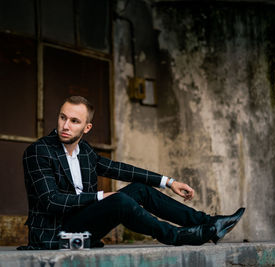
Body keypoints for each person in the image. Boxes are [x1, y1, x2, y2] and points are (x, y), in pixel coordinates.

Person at [18, 95, 245, 250]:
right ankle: (176, 236)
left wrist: (168, 181)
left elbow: (120, 169)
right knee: (119, 202)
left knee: (140, 190)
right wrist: (100, 196)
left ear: (86, 128)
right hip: (55, 236)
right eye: (63, 117)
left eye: (74, 121)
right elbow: (51, 201)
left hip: (85, 227)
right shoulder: (38, 152)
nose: (65, 126)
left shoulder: (83, 151)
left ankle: (211, 223)